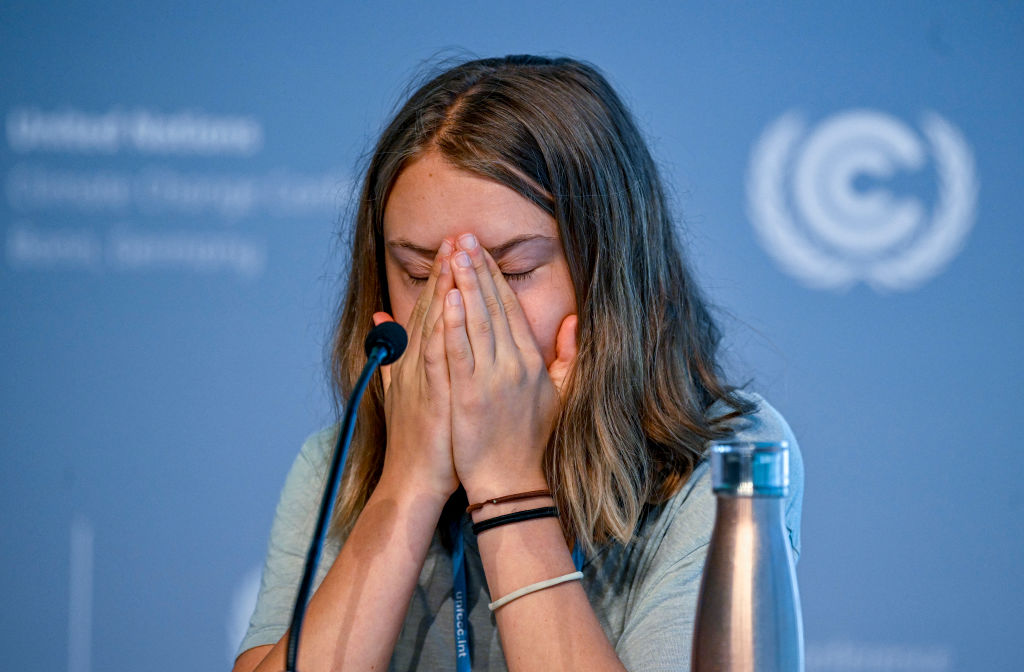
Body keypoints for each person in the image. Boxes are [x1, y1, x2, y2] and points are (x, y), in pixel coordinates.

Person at [233, 54, 803, 672]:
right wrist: (409, 482)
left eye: (512, 271)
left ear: (608, 275)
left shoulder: (725, 457)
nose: (459, 311)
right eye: (420, 273)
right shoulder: (339, 463)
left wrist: (507, 485)